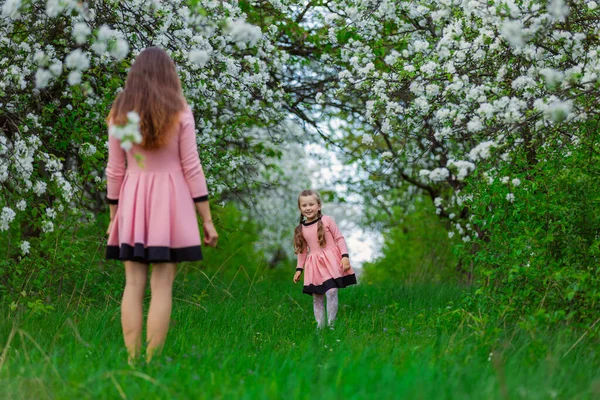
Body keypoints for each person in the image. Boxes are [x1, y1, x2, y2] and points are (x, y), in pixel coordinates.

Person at [105, 47, 218, 364]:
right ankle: (153, 363)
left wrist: (114, 216)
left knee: (132, 284)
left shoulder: (119, 110)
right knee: (163, 287)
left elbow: (115, 170)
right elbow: (192, 166)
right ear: (170, 74)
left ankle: (132, 361)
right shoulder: (179, 109)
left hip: (133, 200)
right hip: (172, 203)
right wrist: (206, 219)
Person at [293, 189, 357, 328]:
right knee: (317, 296)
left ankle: (331, 325)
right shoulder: (300, 229)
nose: (308, 208)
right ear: (300, 208)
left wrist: (345, 256)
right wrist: (299, 269)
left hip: (331, 262)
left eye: (311, 204)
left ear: (319, 205)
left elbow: (339, 238)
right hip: (314, 265)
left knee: (332, 291)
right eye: (304, 205)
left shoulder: (327, 220)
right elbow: (302, 251)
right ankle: (320, 326)